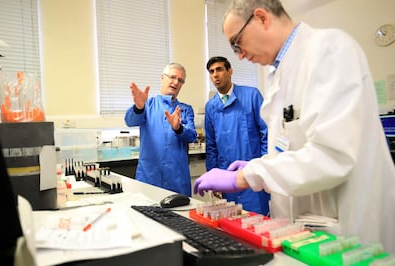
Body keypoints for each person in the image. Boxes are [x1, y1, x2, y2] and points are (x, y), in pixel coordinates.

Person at [194, 0, 395, 253]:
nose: (240, 54)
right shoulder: (278, 73)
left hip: (345, 226)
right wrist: (262, 163)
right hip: (304, 227)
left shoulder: (329, 49)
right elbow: (290, 144)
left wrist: (245, 176)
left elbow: (332, 156)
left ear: (262, 18)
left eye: (237, 42)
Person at [204, 56, 270, 215]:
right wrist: (214, 177)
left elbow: (266, 133)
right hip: (227, 178)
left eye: (219, 69)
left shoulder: (252, 95)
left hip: (252, 174)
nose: (215, 75)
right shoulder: (211, 106)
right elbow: (211, 146)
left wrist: (265, 167)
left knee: (258, 222)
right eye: (211, 71)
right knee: (232, 224)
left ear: (230, 71)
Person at [125, 63, 197, 197]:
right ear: (162, 78)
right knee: (146, 215)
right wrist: (138, 107)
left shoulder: (185, 110)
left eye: (180, 80)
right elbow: (130, 121)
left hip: (177, 180)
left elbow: (192, 136)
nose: (176, 82)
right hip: (149, 178)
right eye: (172, 77)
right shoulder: (148, 104)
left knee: (179, 217)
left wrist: (178, 128)